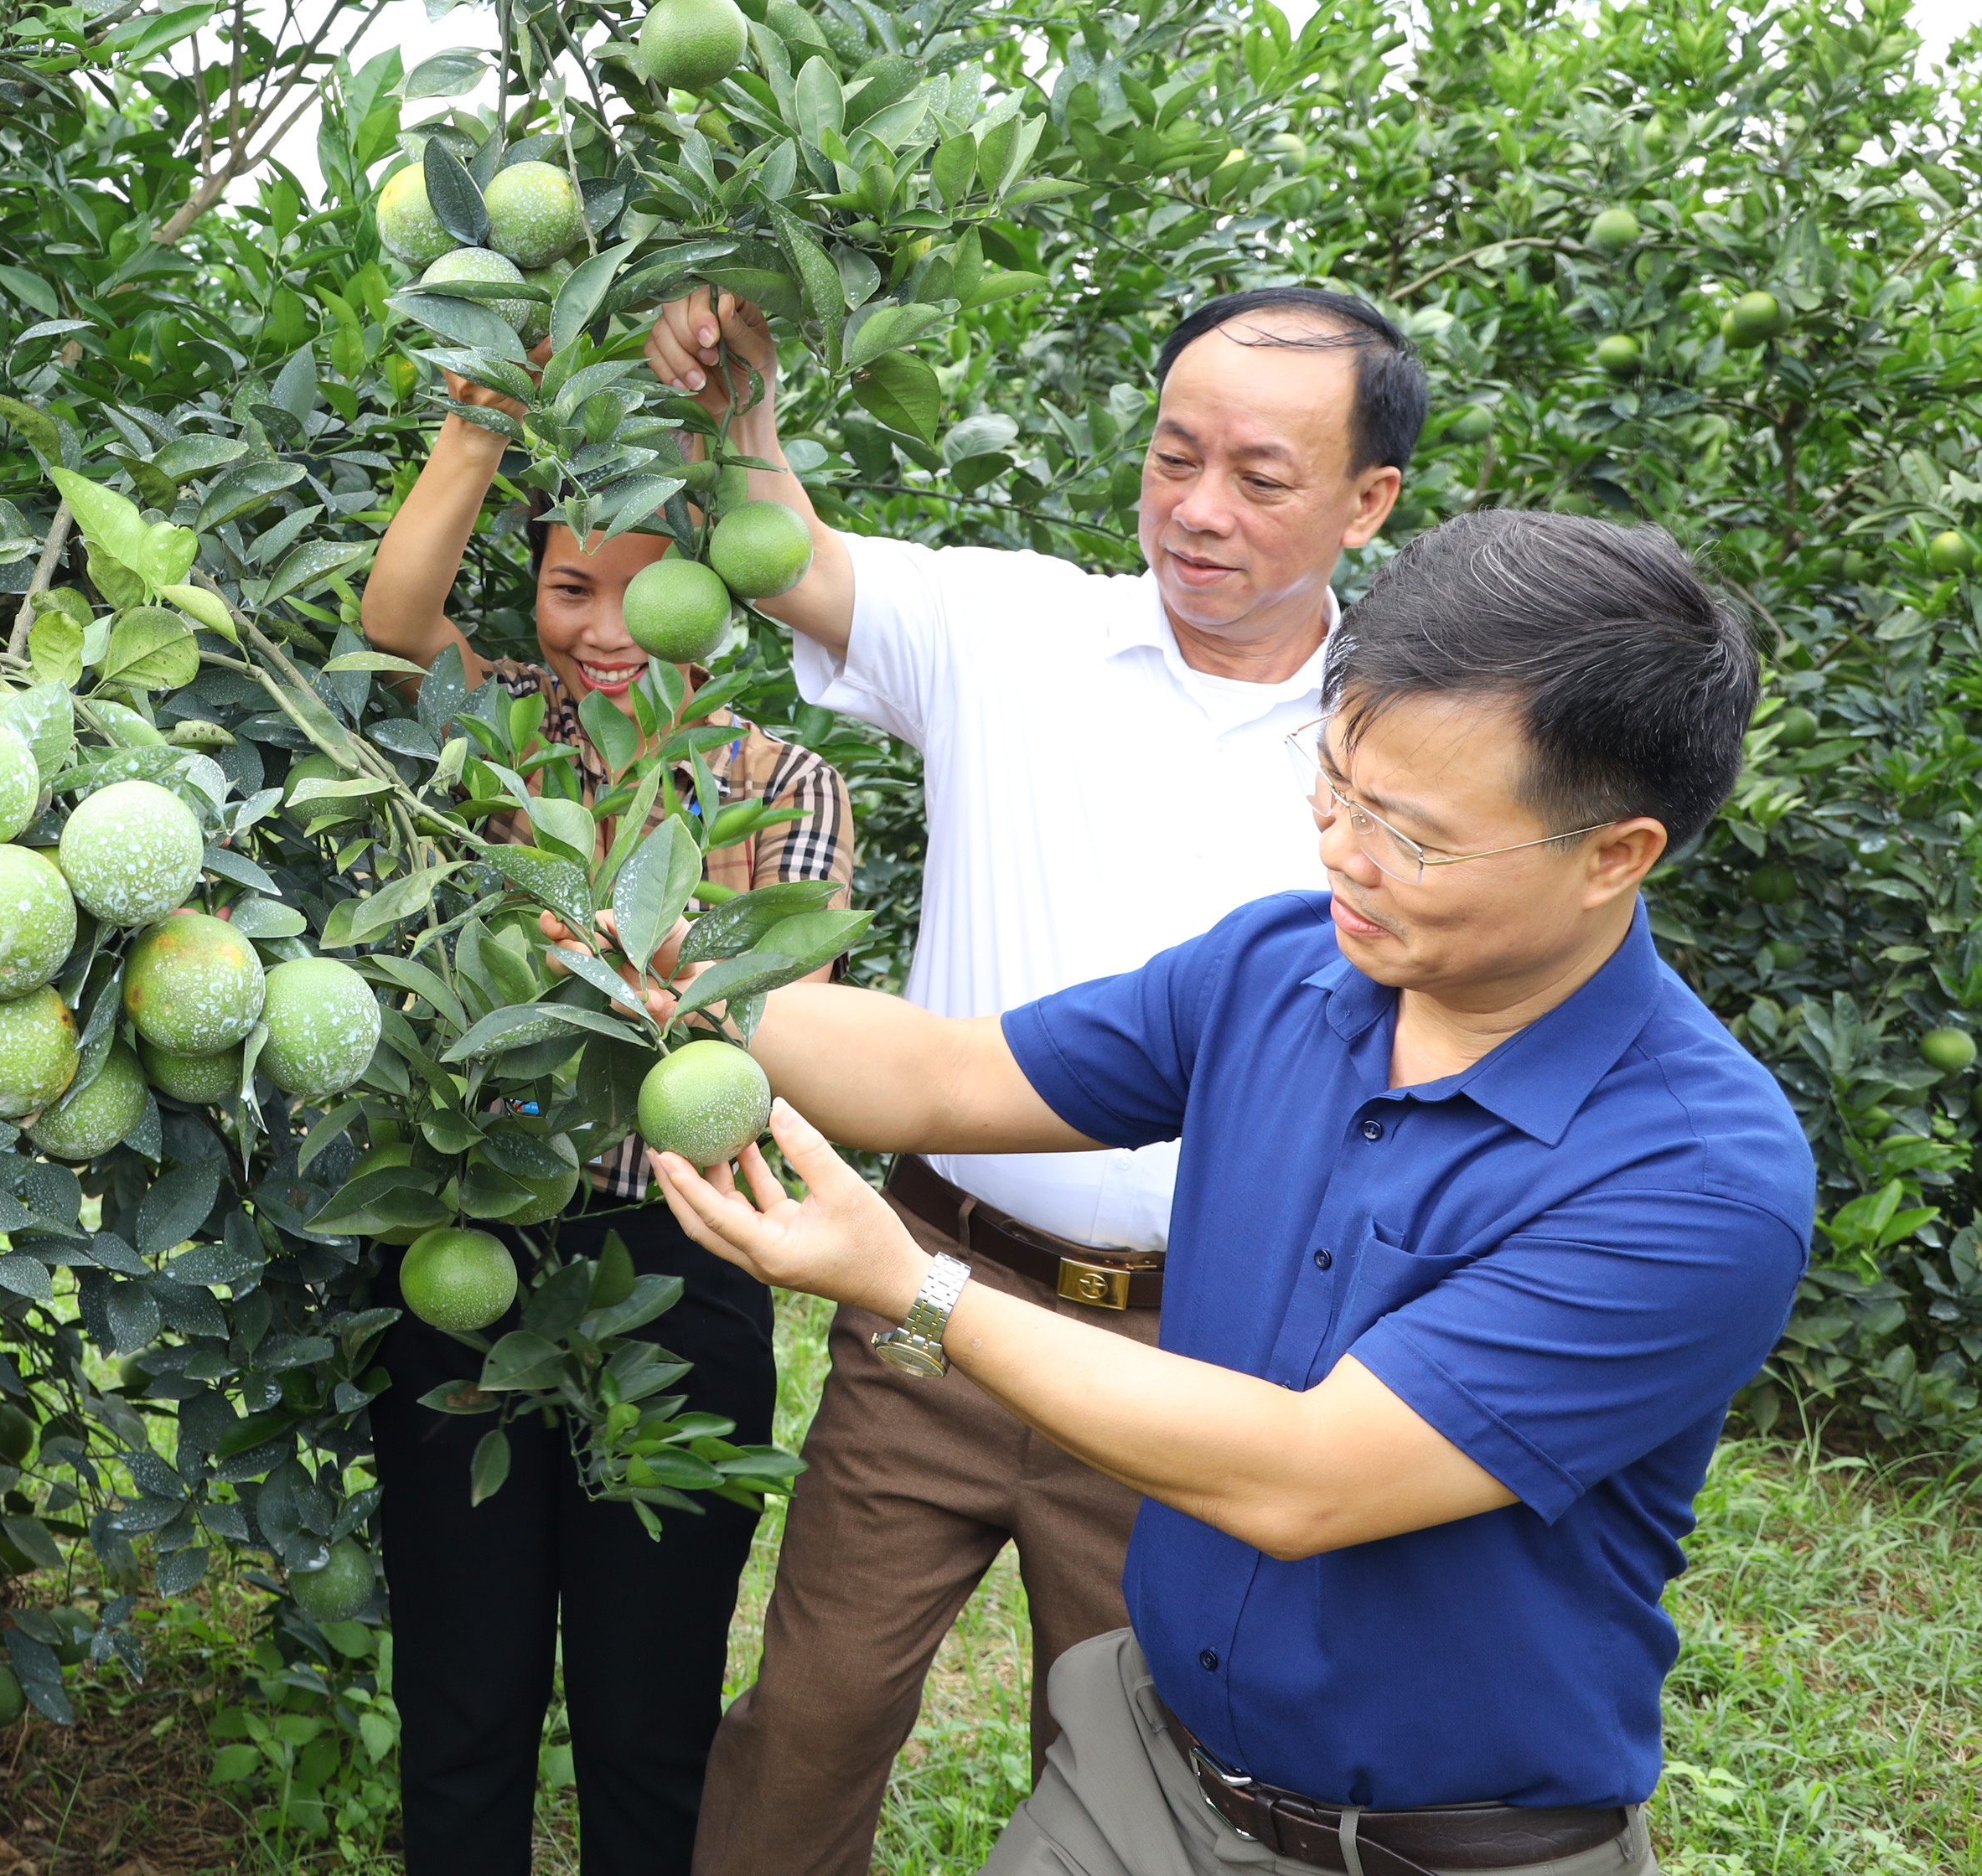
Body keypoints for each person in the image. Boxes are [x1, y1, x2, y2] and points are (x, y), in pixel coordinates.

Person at [649, 507, 1810, 1876]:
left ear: (1616, 853)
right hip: (1147, 1771)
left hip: (1435, 1848)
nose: (1344, 853)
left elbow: (1304, 1480)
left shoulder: (1692, 1176)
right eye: (1335, 787)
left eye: (1415, 838)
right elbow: (941, 1078)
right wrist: (658, 954)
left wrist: (910, 1284)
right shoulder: (1282, 969)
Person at [640, 282, 1417, 1876]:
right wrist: (737, 412)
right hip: (927, 1290)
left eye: (1260, 478)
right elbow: (784, 543)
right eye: (1171, 456)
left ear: (1369, 500)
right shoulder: (1012, 631)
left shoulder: (1401, 750)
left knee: (1138, 1777)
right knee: (807, 1726)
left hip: (1196, 1350)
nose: (1198, 510)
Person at [354, 356, 854, 1876]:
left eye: (650, 588)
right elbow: (392, 624)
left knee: (651, 1716)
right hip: (468, 1250)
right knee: (463, 1693)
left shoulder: (785, 784)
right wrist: (478, 418)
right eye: (574, 587)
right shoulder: (490, 737)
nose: (611, 629)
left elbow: (770, 1033)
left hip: (682, 1262)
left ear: (719, 592)